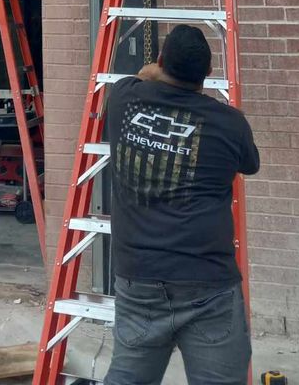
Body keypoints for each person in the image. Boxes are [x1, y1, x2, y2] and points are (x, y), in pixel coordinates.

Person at [104, 24, 260, 385]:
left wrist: (156, 69)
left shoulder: (124, 99)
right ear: (207, 73)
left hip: (138, 279)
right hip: (207, 285)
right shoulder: (228, 123)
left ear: (160, 62)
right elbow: (250, 164)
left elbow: (142, 75)